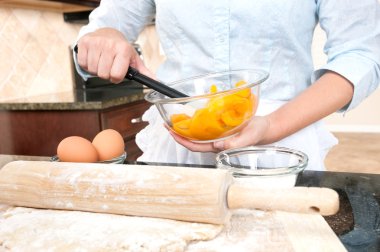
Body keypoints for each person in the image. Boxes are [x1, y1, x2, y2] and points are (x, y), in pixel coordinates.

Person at [74, 0, 380, 171]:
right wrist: (106, 38)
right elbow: (99, 29)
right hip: (178, 145)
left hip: (281, 146)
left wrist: (271, 125)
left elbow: (361, 55)